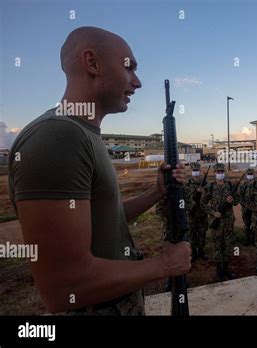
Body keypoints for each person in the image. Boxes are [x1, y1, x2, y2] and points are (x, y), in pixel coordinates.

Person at [7, 27, 191, 315]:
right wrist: (164, 266)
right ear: (92, 63)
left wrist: (157, 192)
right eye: (129, 68)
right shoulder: (58, 136)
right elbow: (63, 287)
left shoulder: (84, 135)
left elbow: (105, 221)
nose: (138, 82)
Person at [202, 163, 239, 281]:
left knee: (228, 246)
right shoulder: (210, 187)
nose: (220, 174)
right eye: (218, 172)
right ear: (214, 173)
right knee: (217, 247)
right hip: (216, 223)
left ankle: (226, 269)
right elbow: (202, 204)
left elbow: (237, 200)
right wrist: (213, 213)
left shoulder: (230, 185)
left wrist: (233, 200)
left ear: (225, 172)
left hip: (228, 222)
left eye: (221, 171)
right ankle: (219, 271)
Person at [185, 162, 209, 261]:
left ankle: (201, 251)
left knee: (202, 232)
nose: (195, 172)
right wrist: (191, 204)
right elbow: (184, 198)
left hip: (202, 212)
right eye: (193, 170)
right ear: (191, 171)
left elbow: (209, 196)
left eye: (197, 170)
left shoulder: (205, 183)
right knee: (192, 233)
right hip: (191, 213)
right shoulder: (188, 183)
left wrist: (203, 193)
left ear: (200, 171)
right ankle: (194, 252)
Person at [239, 168, 255, 246]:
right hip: (245, 209)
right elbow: (240, 197)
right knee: (247, 225)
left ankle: (254, 239)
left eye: (251, 174)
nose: (250, 176)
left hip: (255, 209)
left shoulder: (256, 185)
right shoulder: (242, 186)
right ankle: (247, 239)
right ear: (246, 175)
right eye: (248, 174)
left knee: (255, 224)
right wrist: (245, 205)